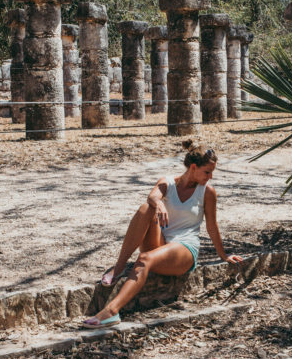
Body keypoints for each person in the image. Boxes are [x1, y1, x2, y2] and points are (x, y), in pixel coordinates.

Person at [82, 139, 244, 328]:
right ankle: (119, 268)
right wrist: (158, 203)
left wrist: (223, 255)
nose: (211, 177)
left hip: (184, 249)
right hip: (161, 243)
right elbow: (152, 196)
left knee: (144, 259)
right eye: (207, 172)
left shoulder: (207, 192)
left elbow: (212, 226)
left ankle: (111, 312)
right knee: (146, 208)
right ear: (193, 167)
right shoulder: (168, 182)